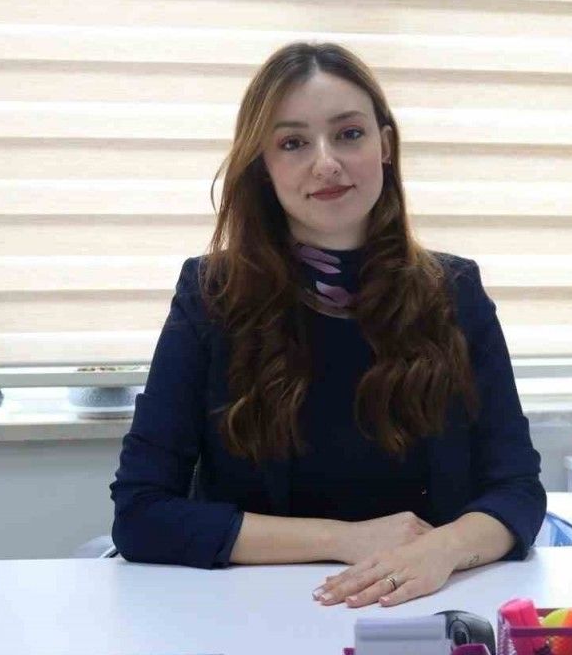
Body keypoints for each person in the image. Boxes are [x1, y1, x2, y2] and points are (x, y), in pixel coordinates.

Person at [110, 42, 546, 609]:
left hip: (422, 608)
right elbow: (142, 513)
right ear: (263, 166)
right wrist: (344, 540)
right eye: (293, 143)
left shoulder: (455, 292)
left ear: (384, 146)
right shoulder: (211, 294)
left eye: (349, 134)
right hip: (255, 613)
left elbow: (516, 491)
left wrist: (443, 549)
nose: (327, 163)